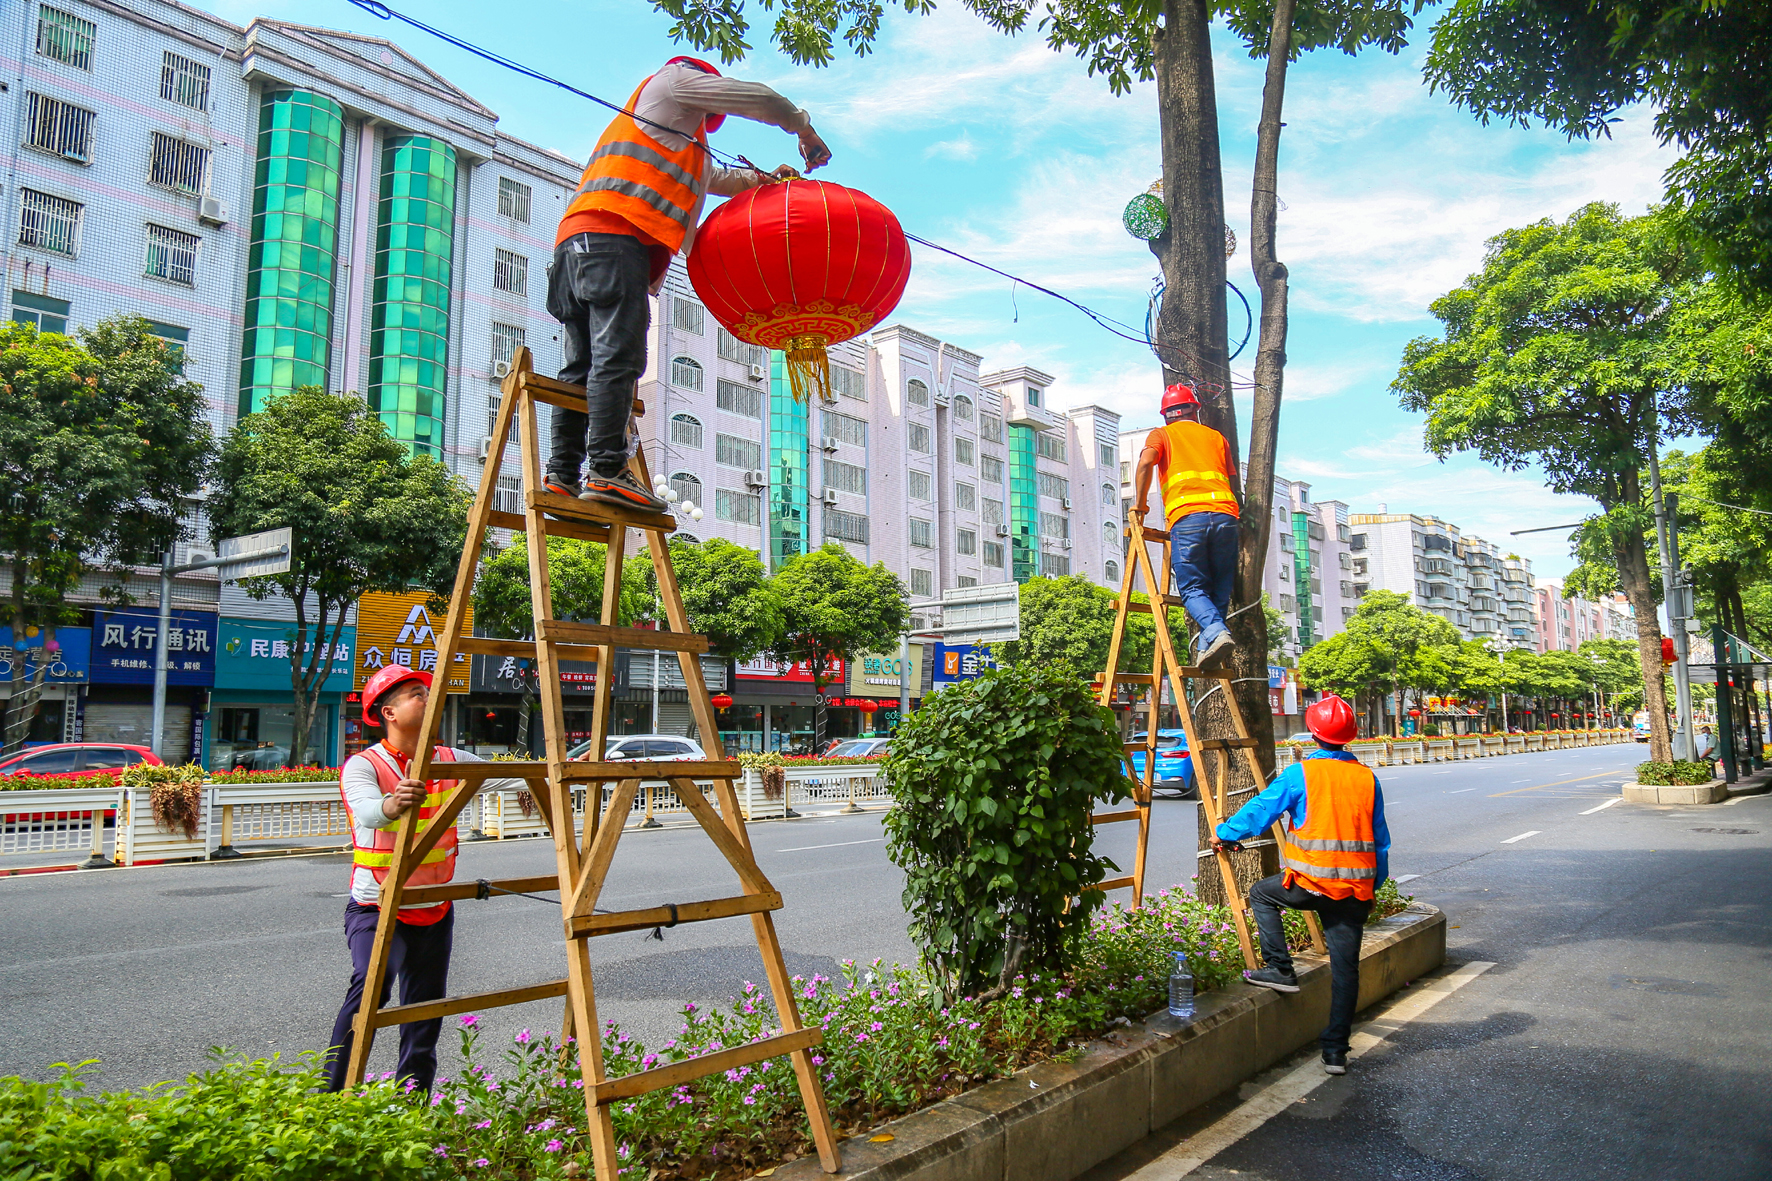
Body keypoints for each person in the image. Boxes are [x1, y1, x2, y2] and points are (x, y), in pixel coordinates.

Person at [547, 57, 832, 512]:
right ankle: (606, 471)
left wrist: (760, 181)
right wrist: (803, 128)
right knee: (618, 356)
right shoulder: (674, 82)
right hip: (616, 241)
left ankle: (561, 475)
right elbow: (759, 99)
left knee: (580, 367)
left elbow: (708, 180)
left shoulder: (673, 135)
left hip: (575, 245)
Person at [322, 665, 523, 1093]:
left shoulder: (453, 761)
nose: (428, 698)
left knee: (424, 1014)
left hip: (435, 909)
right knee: (370, 992)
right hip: (378, 907)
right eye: (416, 694)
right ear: (388, 712)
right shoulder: (364, 765)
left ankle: (413, 1107)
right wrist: (392, 805)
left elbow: (515, 773)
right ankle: (330, 1097)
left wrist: (564, 766)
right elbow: (367, 809)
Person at [1209, 693, 1390, 1076]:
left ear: (1312, 732)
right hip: (1354, 892)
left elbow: (1261, 810)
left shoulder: (1301, 774)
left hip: (1309, 885)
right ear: (1350, 737)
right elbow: (1381, 843)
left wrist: (1225, 832)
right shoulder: (1366, 778)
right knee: (1346, 971)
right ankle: (1336, 1053)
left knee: (1260, 894)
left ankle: (1280, 969)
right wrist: (1373, 890)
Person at [1133, 383, 1241, 669]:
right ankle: (1209, 646)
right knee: (1219, 587)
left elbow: (1145, 463)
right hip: (1225, 516)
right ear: (1195, 409)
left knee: (1193, 588)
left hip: (1188, 517)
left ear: (1166, 414)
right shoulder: (1217, 438)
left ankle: (1216, 632)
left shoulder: (1162, 434)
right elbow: (1230, 480)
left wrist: (1140, 504)